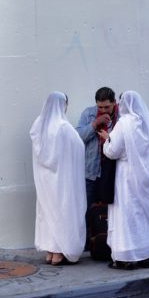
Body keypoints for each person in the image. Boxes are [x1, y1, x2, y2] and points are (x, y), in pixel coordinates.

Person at [98, 91, 149, 270]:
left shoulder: (123, 124)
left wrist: (107, 139)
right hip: (147, 176)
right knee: (144, 215)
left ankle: (125, 256)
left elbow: (112, 151)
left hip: (126, 176)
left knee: (126, 215)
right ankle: (146, 255)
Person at [30, 92, 86, 265]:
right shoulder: (63, 127)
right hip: (62, 181)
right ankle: (60, 251)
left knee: (47, 212)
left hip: (45, 181)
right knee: (63, 211)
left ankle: (50, 251)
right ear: (63, 105)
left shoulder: (38, 125)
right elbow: (79, 147)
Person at [75, 87, 118, 207]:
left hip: (113, 173)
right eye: (100, 107)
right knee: (86, 211)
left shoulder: (121, 116)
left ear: (114, 102)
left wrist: (109, 139)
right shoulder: (88, 114)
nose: (103, 110)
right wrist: (95, 124)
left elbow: (126, 142)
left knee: (111, 212)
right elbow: (77, 137)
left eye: (107, 107)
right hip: (91, 173)